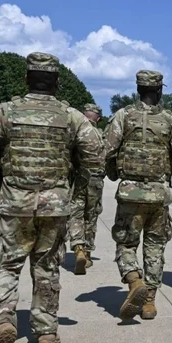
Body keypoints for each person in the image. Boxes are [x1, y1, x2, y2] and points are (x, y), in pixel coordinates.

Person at [0, 53, 105, 343]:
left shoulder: (4, 112)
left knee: (4, 266)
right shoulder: (72, 117)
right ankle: (45, 332)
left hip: (14, 205)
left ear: (27, 79)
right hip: (55, 206)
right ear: (56, 83)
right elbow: (96, 157)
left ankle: (3, 321)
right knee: (46, 267)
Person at [105, 70, 172, 321]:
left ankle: (133, 280)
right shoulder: (170, 120)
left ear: (138, 89)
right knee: (155, 247)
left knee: (126, 242)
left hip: (130, 193)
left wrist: (112, 172)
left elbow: (107, 150)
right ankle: (149, 302)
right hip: (158, 195)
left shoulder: (123, 116)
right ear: (160, 90)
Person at [66, 102, 107, 275]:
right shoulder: (100, 134)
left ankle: (78, 247)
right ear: (97, 118)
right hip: (96, 180)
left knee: (75, 213)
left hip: (79, 177)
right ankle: (88, 254)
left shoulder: (76, 131)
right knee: (91, 217)